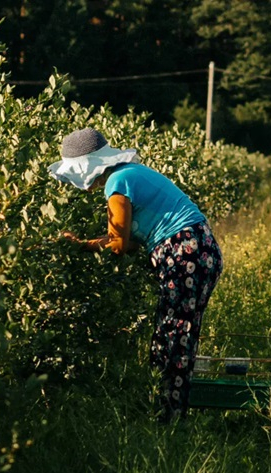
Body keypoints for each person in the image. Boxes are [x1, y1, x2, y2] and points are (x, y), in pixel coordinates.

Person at [48, 128, 223, 421]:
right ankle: (168, 410)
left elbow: (117, 245)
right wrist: (87, 244)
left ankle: (168, 418)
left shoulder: (117, 183)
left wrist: (79, 246)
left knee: (173, 336)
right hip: (196, 249)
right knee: (177, 333)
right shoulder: (129, 173)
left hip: (185, 252)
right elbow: (126, 241)